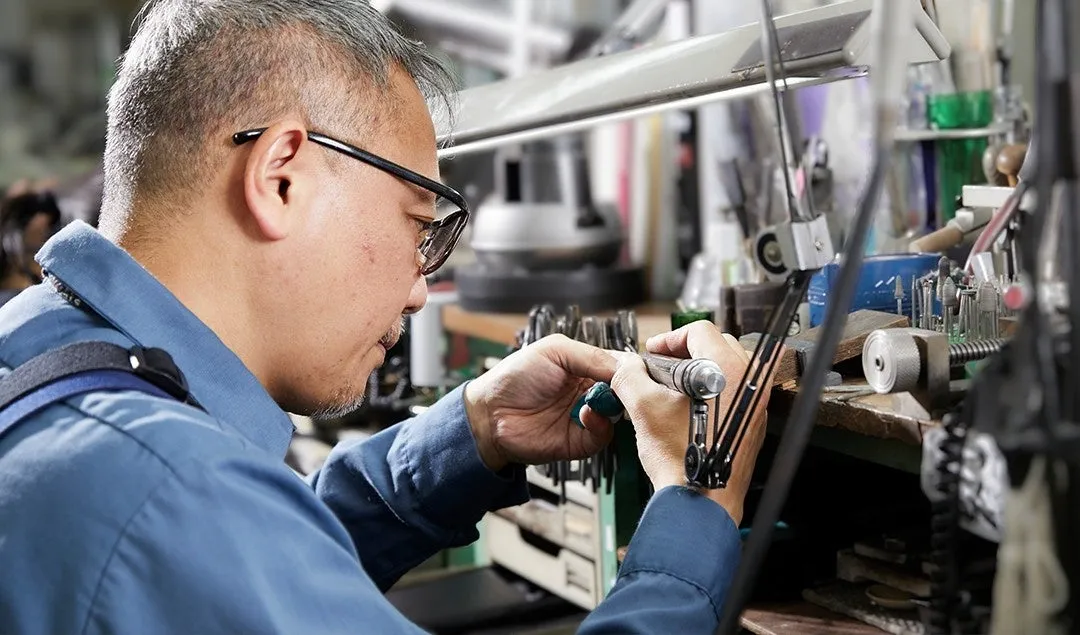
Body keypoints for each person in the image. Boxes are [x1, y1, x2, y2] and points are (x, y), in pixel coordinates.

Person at [0, 1, 774, 633]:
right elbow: (208, 534)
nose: (418, 290)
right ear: (280, 178)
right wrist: (696, 510)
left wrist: (473, 433)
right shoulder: (172, 496)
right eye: (417, 225)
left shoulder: (42, 354)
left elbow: (259, 564)